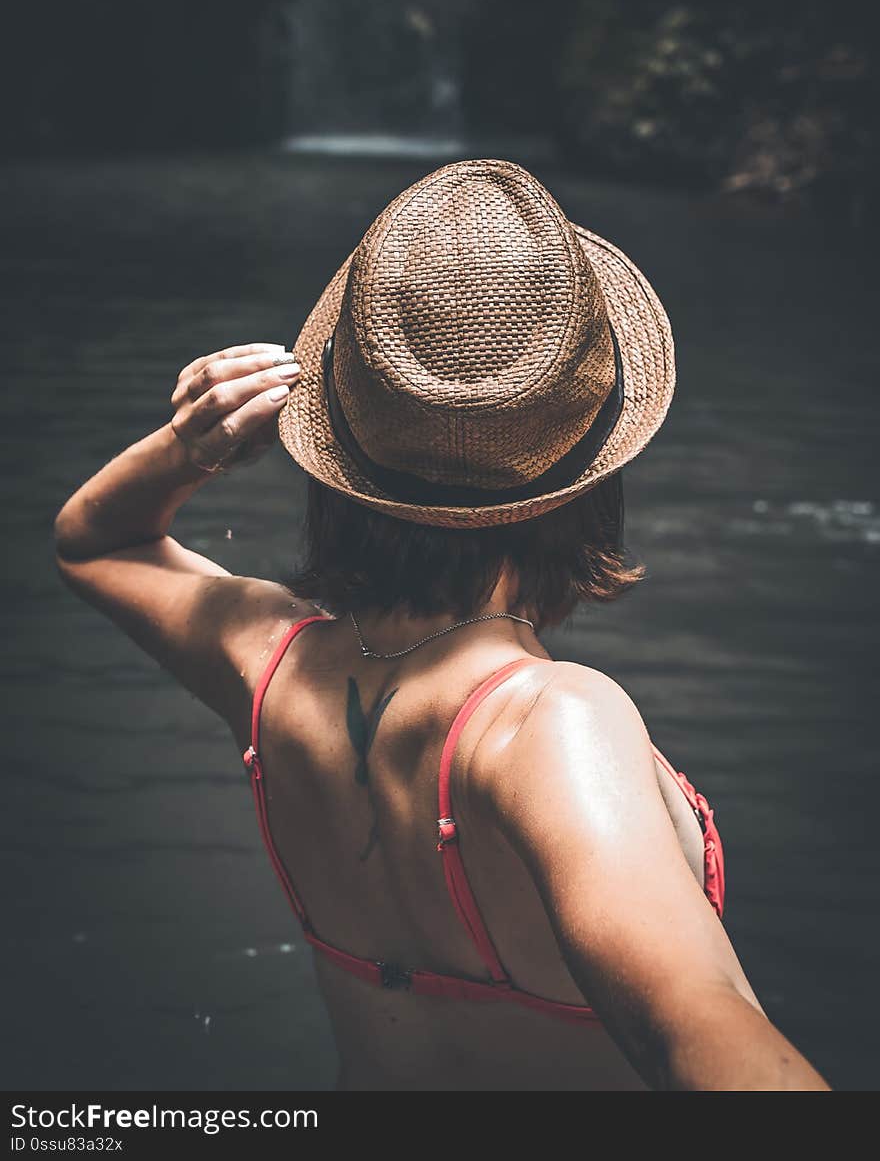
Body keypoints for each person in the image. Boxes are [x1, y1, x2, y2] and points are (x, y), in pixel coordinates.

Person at [54, 159, 829, 1091]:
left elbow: (93, 544)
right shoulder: (548, 723)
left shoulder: (267, 665)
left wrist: (192, 445)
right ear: (589, 478)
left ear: (336, 448)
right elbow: (698, 1034)